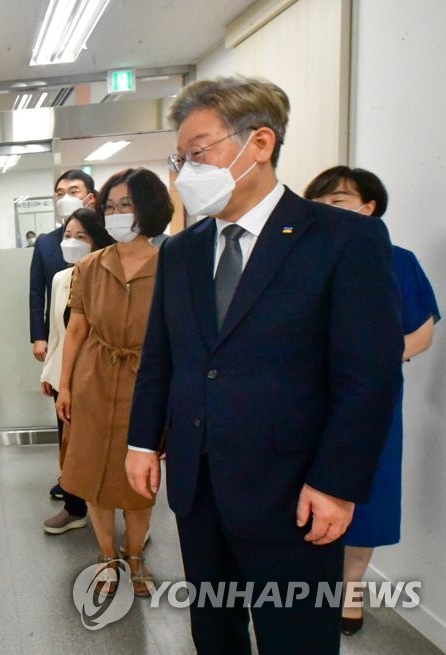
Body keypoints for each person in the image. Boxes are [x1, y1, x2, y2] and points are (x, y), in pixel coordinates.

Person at [125, 76, 403, 654]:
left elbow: (369, 378)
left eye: (198, 152)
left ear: (259, 143)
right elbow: (162, 358)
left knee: (295, 637)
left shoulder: (344, 239)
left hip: (295, 491)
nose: (185, 171)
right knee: (214, 630)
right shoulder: (182, 250)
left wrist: (336, 485)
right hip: (199, 486)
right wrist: (142, 442)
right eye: (180, 158)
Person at [304, 166, 439, 636]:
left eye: (336, 202)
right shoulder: (297, 261)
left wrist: (369, 360)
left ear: (368, 208)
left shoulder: (398, 262)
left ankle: (351, 592)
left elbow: (421, 332)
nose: (324, 210)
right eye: (317, 202)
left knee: (367, 497)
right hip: (303, 399)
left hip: (369, 401)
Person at [56, 168, 171, 595]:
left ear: (149, 209)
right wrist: (66, 385)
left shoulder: (171, 267)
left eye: (128, 204)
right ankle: (107, 556)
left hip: (147, 381)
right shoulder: (90, 266)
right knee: (93, 474)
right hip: (94, 378)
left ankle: (135, 554)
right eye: (110, 206)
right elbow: (76, 330)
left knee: (139, 481)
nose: (118, 213)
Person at [29, 169, 103, 501]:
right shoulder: (48, 243)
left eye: (73, 191)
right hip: (61, 334)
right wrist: (40, 336)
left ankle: (98, 481)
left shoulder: (105, 239)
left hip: (99, 342)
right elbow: (37, 292)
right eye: (59, 192)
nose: (65, 197)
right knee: (66, 412)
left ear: (91, 197)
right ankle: (70, 480)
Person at [39, 207, 110, 534]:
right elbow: (57, 331)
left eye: (81, 236)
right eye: (68, 235)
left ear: (97, 240)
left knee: (105, 448)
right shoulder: (60, 279)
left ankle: (124, 513)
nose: (72, 242)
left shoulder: (109, 278)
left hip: (102, 378)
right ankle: (74, 507)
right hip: (65, 378)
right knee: (69, 447)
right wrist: (49, 373)